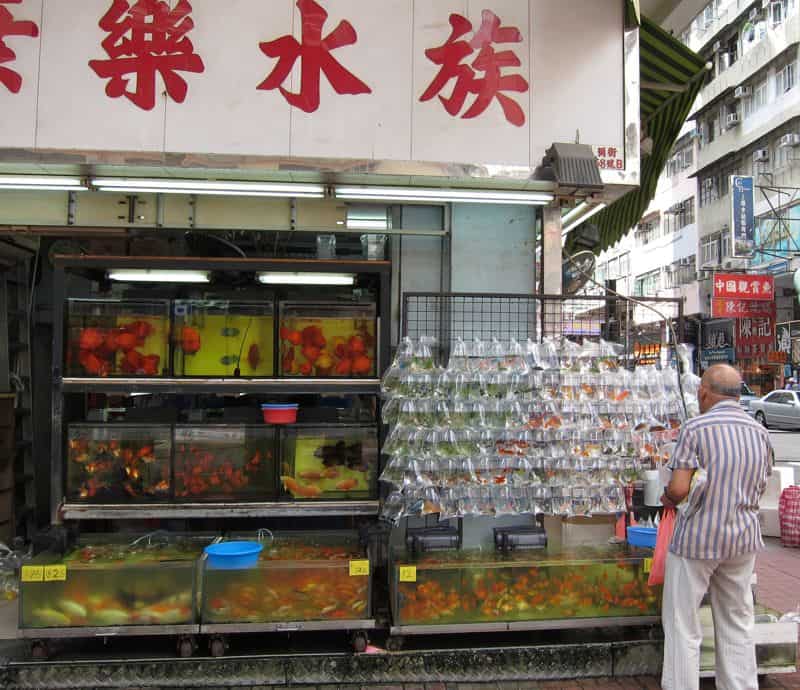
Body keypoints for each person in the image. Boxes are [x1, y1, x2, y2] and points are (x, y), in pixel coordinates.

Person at [660, 364, 773, 690]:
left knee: (683, 623)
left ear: (705, 392)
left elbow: (679, 488)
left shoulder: (696, 428)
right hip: (741, 540)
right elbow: (761, 482)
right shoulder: (759, 432)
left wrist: (668, 498)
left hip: (697, 540)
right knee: (737, 621)